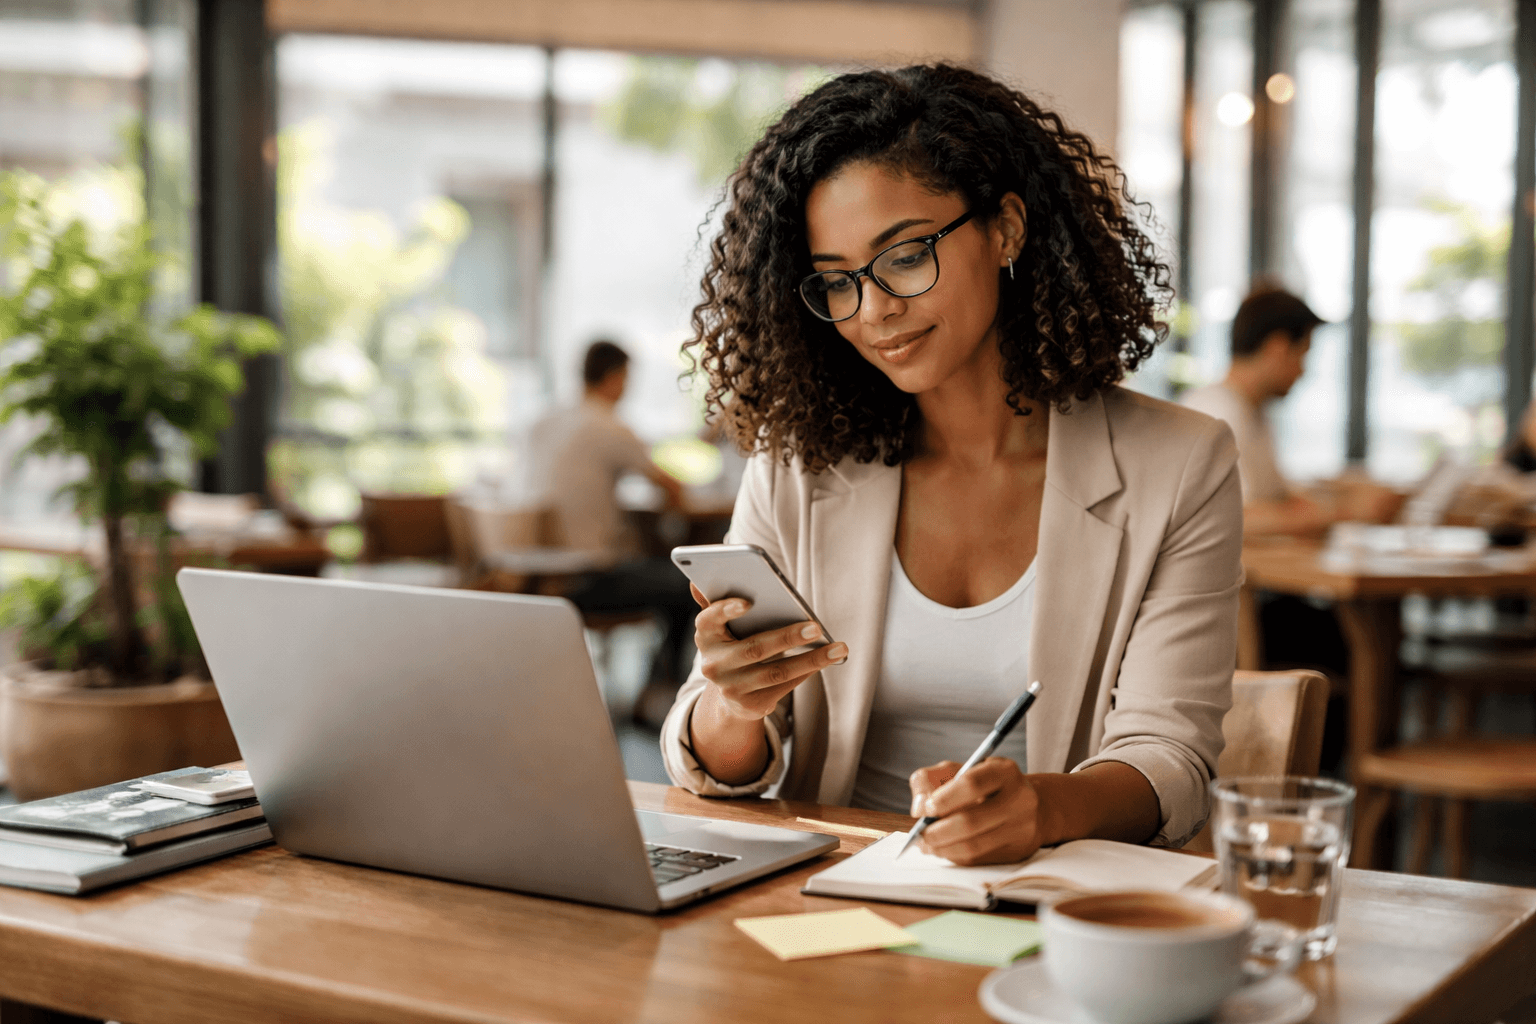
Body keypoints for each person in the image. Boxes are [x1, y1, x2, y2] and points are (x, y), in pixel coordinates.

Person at [659, 64, 1243, 865]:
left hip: (1050, 895)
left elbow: (1171, 762)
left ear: (1006, 229)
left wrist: (1041, 808)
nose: (874, 311)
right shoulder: (801, 466)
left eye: (904, 257)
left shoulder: (1179, 465)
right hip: (836, 889)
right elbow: (712, 771)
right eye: (836, 281)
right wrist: (734, 704)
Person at [525, 340, 697, 717]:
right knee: (689, 586)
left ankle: (652, 691)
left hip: (533, 576)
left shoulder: (545, 421)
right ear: (616, 377)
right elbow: (671, 487)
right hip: (587, 578)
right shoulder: (608, 425)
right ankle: (657, 694)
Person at [1181, 288, 1401, 536]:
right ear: (1279, 348)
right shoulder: (1217, 411)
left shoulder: (1250, 410)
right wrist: (1346, 512)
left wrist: (1344, 496)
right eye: (1303, 354)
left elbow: (1278, 497)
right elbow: (1238, 517)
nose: (1303, 371)